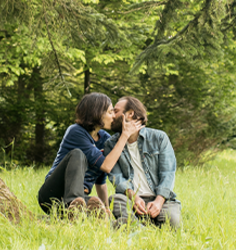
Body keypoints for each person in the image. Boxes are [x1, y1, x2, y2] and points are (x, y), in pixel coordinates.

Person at [38, 92, 141, 217]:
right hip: (52, 194)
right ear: (97, 113)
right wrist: (125, 135)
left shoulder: (104, 139)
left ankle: (77, 212)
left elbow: (100, 182)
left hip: (82, 196)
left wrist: (107, 209)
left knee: (96, 205)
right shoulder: (76, 131)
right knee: (77, 154)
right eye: (110, 112)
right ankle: (73, 205)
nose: (113, 116)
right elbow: (106, 166)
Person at [104, 96, 181, 229]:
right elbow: (117, 177)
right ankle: (140, 228)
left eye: (115, 111)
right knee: (115, 200)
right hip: (130, 199)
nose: (112, 116)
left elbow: (168, 173)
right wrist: (134, 198)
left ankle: (134, 225)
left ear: (130, 113)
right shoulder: (111, 144)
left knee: (173, 223)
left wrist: (158, 201)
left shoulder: (159, 138)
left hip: (160, 199)